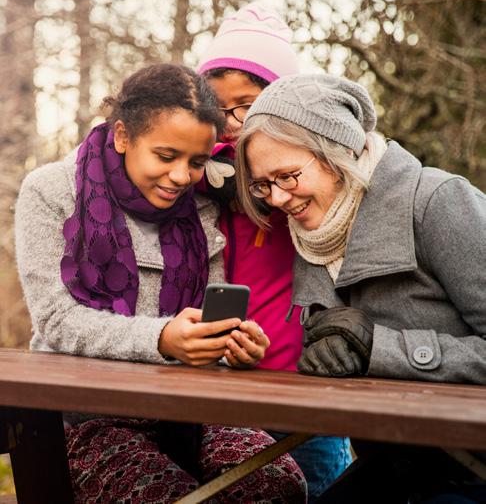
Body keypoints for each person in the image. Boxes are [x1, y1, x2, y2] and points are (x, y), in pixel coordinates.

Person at [15, 63, 306, 503]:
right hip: (92, 415)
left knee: (275, 484)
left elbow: (209, 316)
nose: (180, 178)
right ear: (123, 136)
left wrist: (232, 345)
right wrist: (163, 338)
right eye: (166, 157)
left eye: (197, 163)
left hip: (194, 407)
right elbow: (56, 319)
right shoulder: (51, 191)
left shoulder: (200, 207)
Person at [235, 72, 486, 502]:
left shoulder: (438, 202)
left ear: (337, 153)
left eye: (287, 176)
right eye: (262, 185)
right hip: (393, 466)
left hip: (472, 471)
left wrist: (379, 347)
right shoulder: (314, 231)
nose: (276, 200)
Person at [198, 3, 352, 501]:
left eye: (245, 104)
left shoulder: (307, 181)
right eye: (217, 108)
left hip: (309, 390)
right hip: (233, 391)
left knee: (322, 487)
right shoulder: (203, 181)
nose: (230, 123)